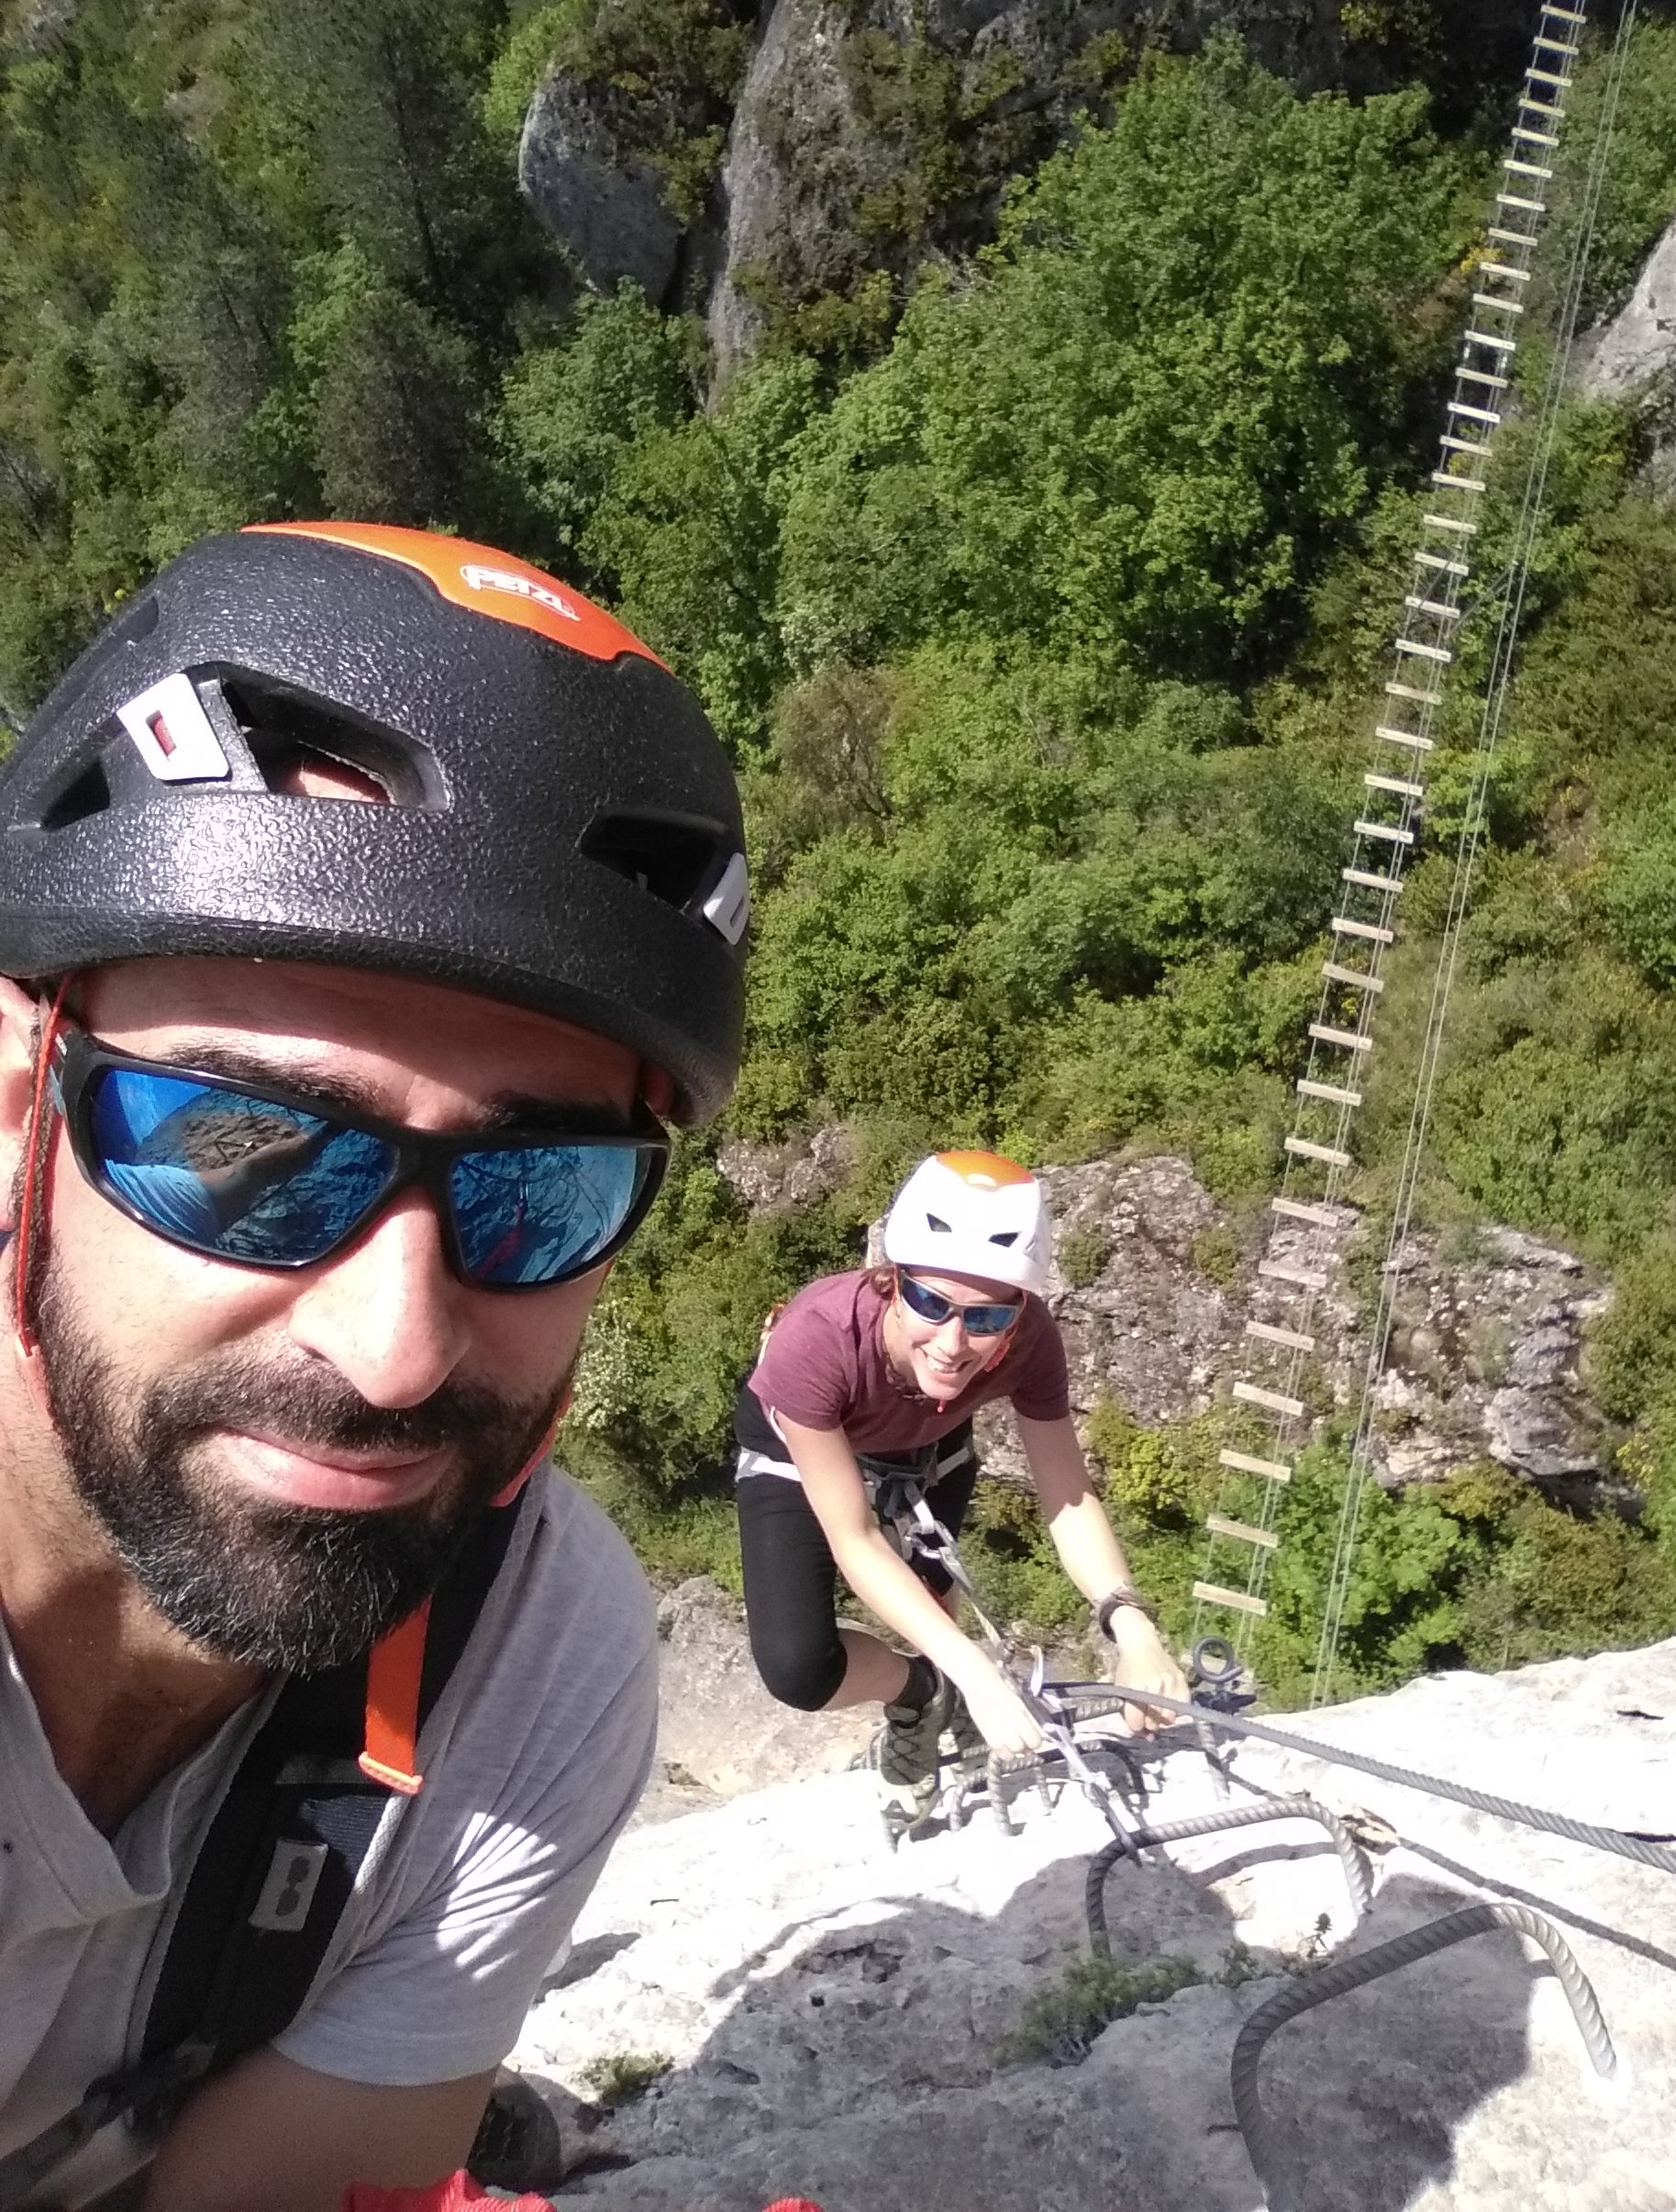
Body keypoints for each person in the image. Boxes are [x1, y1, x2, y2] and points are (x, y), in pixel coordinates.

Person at [0, 522, 749, 2209]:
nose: (396, 1348)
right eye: (249, 1146)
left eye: (537, 1188)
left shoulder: (531, 1656)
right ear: (16, 1101)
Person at [735, 1150, 1190, 1838]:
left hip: (926, 1446)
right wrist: (973, 1674)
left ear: (1018, 1314)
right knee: (799, 1669)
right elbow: (853, 1540)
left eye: (985, 1320)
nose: (952, 1344)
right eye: (929, 1303)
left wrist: (1133, 1627)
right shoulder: (817, 1341)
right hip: (804, 1448)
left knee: (931, 1611)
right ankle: (923, 1695)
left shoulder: (1030, 1338)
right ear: (891, 1283)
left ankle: (940, 1691)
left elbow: (1068, 1497)